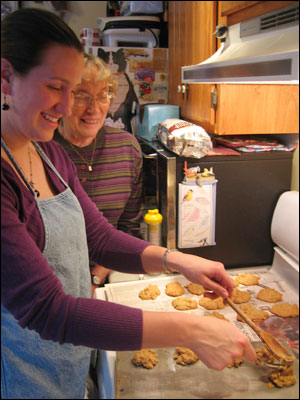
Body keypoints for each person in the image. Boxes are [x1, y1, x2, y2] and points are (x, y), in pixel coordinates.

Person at [1, 8, 257, 400]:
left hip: (67, 359)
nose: (69, 106)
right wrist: (191, 330)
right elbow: (46, 309)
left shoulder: (49, 153)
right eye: (56, 87)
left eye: (75, 90)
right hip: (20, 377)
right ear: (5, 77)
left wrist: (178, 260)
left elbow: (101, 238)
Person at [53, 53, 144, 292]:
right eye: (82, 95)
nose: (94, 108)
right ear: (62, 99)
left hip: (105, 278)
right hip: (48, 287)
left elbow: (128, 226)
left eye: (103, 95)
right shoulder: (40, 150)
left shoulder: (127, 148)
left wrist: (96, 277)